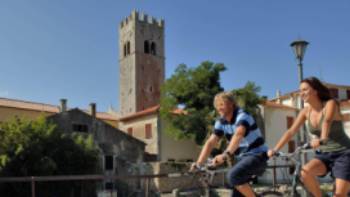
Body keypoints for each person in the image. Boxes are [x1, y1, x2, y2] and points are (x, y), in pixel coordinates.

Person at [267, 76, 350, 197]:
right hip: (324, 154)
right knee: (305, 172)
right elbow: (291, 131)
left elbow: (327, 121)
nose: (301, 93)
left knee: (339, 195)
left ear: (315, 90)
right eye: (300, 91)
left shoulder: (330, 104)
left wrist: (322, 138)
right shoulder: (305, 112)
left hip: (344, 153)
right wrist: (275, 149)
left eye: (305, 90)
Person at [190, 91, 268, 197]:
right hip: (242, 158)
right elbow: (211, 142)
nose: (219, 108)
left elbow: (238, 134)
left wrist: (224, 155)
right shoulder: (221, 122)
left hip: (258, 155)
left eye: (222, 104)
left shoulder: (243, 116)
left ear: (232, 103)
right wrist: (199, 163)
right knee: (235, 192)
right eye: (217, 105)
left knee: (233, 176)